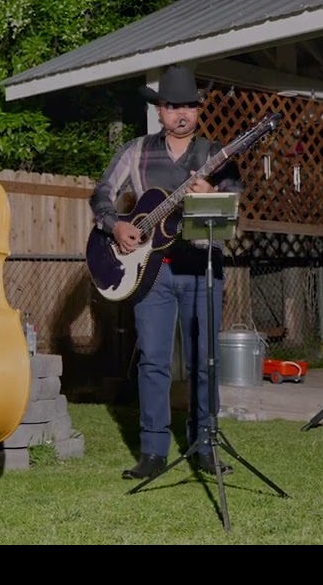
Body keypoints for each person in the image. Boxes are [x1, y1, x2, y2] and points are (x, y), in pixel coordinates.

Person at [89, 64, 243, 480]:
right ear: (160, 110)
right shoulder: (136, 151)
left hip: (201, 268)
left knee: (204, 362)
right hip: (149, 274)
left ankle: (205, 446)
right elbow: (102, 193)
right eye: (173, 105)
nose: (182, 113)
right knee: (153, 362)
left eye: (189, 106)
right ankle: (153, 452)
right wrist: (115, 225)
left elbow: (235, 209)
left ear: (198, 110)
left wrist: (213, 194)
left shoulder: (216, 156)